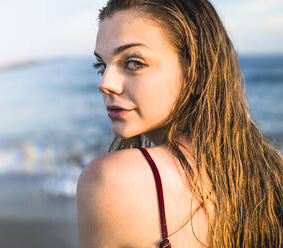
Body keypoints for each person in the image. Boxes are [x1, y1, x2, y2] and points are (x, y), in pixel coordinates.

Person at [76, 0, 283, 247]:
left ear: (197, 73)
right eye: (102, 65)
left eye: (134, 63)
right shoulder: (269, 174)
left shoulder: (109, 182)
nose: (105, 83)